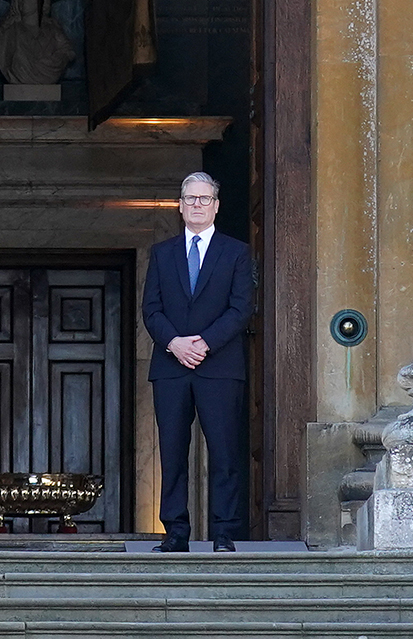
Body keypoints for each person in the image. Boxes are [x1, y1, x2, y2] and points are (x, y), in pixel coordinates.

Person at [141, 171, 253, 552]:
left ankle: (224, 532)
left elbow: (241, 309)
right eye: (190, 199)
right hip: (171, 367)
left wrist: (203, 343)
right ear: (180, 205)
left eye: (204, 199)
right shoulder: (162, 253)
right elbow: (151, 309)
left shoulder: (236, 252)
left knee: (224, 453)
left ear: (216, 206)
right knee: (172, 454)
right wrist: (175, 343)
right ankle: (175, 532)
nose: (197, 205)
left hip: (219, 366)